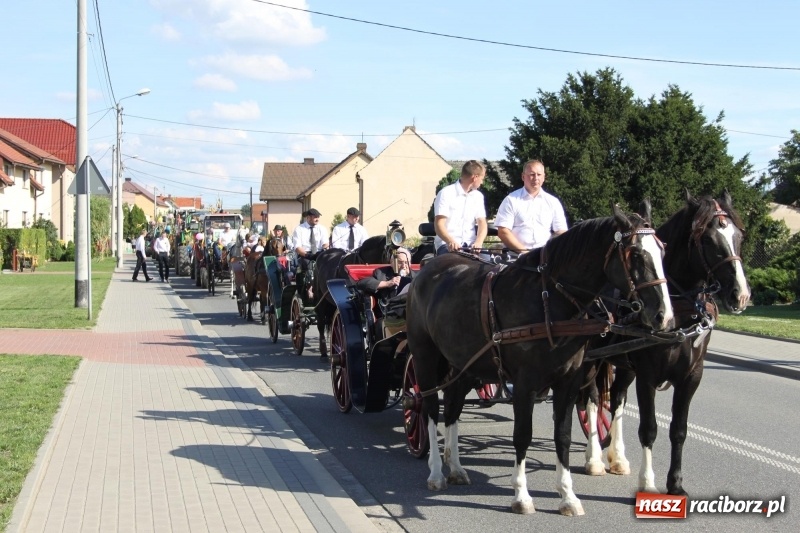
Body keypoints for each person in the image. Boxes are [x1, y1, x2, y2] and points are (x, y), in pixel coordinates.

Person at [494, 159, 568, 254]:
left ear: (544, 177)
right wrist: (525, 253)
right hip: (516, 256)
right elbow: (503, 232)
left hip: (544, 255)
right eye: (532, 174)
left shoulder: (553, 202)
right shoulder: (511, 200)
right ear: (523, 176)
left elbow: (561, 232)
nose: (536, 178)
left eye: (539, 174)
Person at [433, 160, 488, 255]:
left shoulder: (478, 196)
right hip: (447, 245)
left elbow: (482, 223)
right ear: (475, 178)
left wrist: (478, 242)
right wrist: (450, 241)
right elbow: (439, 224)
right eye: (482, 179)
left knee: (490, 262)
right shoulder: (445, 193)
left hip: (471, 246)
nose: (482, 182)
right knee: (453, 262)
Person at [291, 208, 329, 274]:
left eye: (318, 217)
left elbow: (325, 243)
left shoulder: (322, 228)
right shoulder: (299, 229)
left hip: (319, 254)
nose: (317, 219)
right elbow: (297, 247)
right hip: (305, 255)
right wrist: (307, 255)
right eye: (315, 217)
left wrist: (323, 250)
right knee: (309, 268)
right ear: (308, 217)